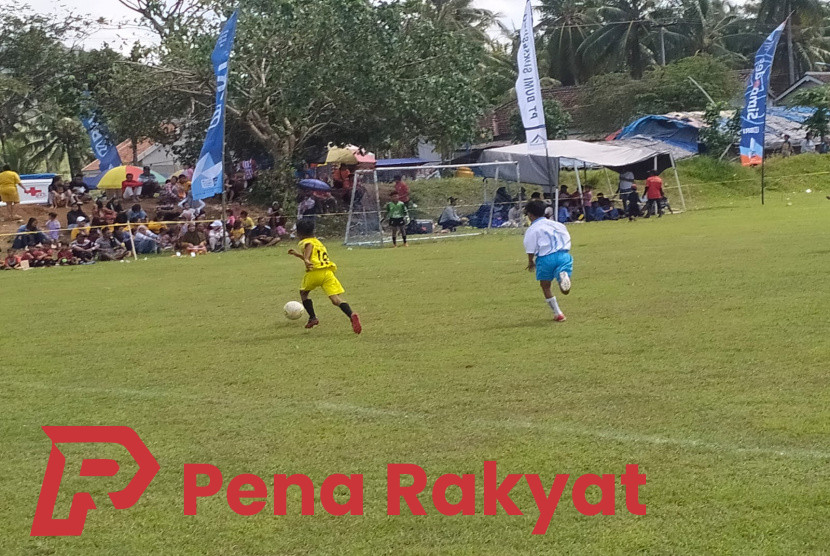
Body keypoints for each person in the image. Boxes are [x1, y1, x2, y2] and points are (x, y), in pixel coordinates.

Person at [287, 218, 362, 333]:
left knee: (303, 293)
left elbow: (308, 247)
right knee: (336, 299)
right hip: (328, 273)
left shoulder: (304, 242)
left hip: (315, 272)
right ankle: (351, 315)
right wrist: (299, 256)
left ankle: (313, 318)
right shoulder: (318, 242)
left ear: (299, 233)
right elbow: (313, 257)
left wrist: (306, 259)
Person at [523, 200, 572, 323]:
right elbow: (566, 236)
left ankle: (558, 313)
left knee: (545, 286)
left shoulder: (532, 229)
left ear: (530, 215)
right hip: (563, 255)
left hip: (545, 258)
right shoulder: (557, 224)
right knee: (565, 291)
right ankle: (563, 277)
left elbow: (530, 247)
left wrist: (530, 261)